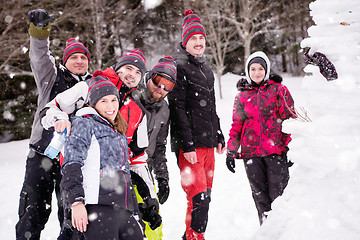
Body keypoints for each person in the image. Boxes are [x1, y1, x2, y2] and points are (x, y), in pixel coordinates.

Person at [41, 50, 164, 238]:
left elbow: (137, 161)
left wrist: (148, 202)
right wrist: (61, 120)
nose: (132, 74)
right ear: (117, 67)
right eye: (128, 68)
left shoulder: (137, 111)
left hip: (117, 195)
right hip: (80, 183)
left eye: (138, 72)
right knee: (71, 229)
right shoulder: (87, 87)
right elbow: (50, 109)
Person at [16, 9, 92, 240]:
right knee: (33, 212)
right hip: (43, 155)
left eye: (83, 58)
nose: (79, 61)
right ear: (65, 61)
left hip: (73, 160)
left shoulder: (93, 85)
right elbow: (39, 56)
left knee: (71, 217)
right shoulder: (52, 76)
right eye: (74, 57)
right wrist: (40, 32)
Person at [167, 9, 226, 240]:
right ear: (185, 41)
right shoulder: (179, 67)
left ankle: (190, 237)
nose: (199, 42)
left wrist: (219, 133)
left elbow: (211, 106)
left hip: (208, 144)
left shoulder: (206, 68)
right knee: (197, 197)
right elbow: (177, 108)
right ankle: (195, 238)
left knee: (204, 197)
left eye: (201, 38)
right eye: (194, 38)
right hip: (190, 147)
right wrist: (188, 145)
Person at [60, 75, 143, 240]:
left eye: (114, 100)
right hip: (98, 208)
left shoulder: (118, 130)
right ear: (94, 103)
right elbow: (72, 164)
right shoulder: (85, 123)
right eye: (103, 101)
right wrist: (76, 202)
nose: (111, 106)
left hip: (123, 209)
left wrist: (135, 215)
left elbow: (125, 174)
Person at [226, 51, 297, 225]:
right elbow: (237, 124)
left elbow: (289, 119)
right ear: (247, 71)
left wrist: (291, 148)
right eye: (252, 69)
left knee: (279, 197)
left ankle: (284, 233)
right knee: (260, 199)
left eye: (260, 69)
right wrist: (231, 151)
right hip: (251, 154)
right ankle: (267, 232)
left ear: (266, 70)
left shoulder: (279, 90)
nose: (256, 72)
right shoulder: (242, 96)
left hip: (276, 152)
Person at [133, 56, 177, 240]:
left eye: (169, 85)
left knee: (154, 224)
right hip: (123, 171)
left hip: (146, 171)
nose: (162, 88)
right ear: (150, 76)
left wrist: (162, 178)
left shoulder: (164, 109)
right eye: (159, 80)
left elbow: (159, 147)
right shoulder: (131, 98)